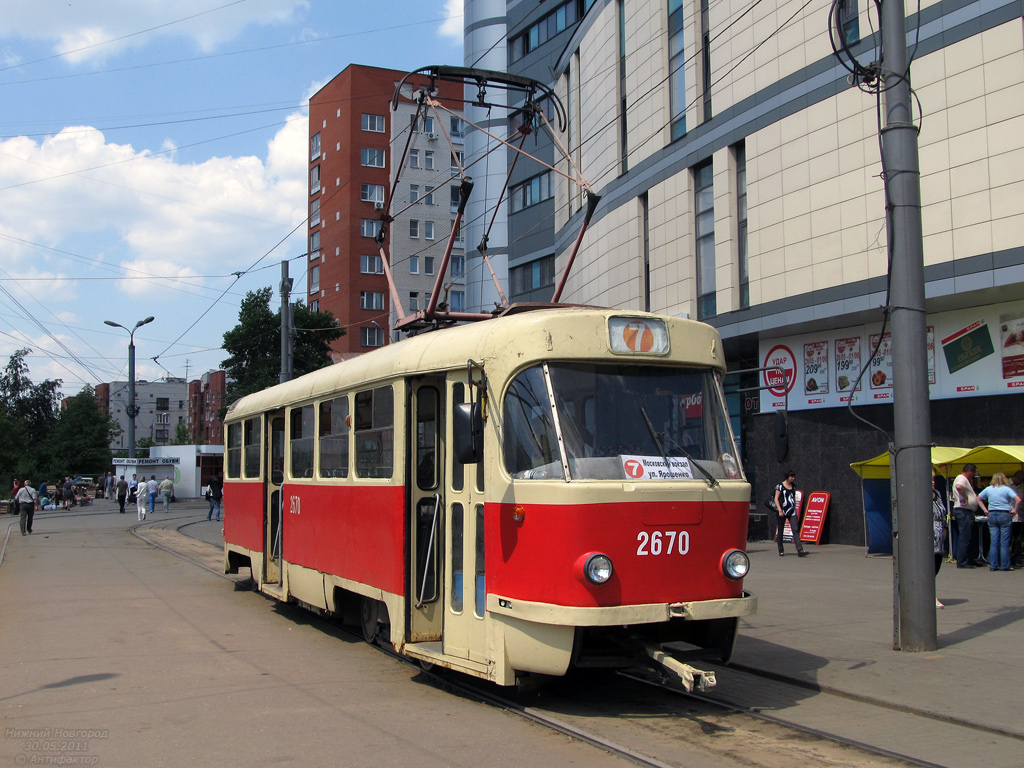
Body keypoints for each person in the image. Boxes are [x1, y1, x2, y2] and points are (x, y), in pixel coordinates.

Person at [978, 472, 1021, 571]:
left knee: (994, 541)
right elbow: (1018, 499)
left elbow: (979, 498)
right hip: (1004, 514)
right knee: (1004, 542)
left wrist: (985, 510)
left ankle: (993, 565)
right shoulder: (1007, 489)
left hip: (992, 514)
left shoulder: (989, 489)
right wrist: (1015, 510)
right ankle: (1005, 565)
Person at [773, 469, 807, 557]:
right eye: (791, 477)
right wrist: (780, 510)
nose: (793, 478)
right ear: (787, 477)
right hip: (782, 511)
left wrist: (794, 508)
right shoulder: (780, 486)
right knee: (781, 530)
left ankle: (800, 550)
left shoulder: (794, 486)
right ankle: (781, 550)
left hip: (791, 511)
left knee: (795, 529)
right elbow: (776, 499)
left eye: (793, 477)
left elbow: (792, 498)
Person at [951, 464, 980, 568]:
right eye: (973, 473)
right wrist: (965, 497)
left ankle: (969, 559)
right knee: (965, 537)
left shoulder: (963, 479)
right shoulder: (961, 478)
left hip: (966, 511)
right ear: (970, 471)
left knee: (968, 537)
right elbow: (959, 487)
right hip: (963, 511)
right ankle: (962, 561)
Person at [933, 474, 948, 608]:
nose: (932, 482)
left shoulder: (937, 494)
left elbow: (943, 512)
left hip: (939, 538)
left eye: (933, 479)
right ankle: (932, 597)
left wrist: (945, 528)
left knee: (936, 567)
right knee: (928, 569)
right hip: (926, 537)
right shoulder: (917, 495)